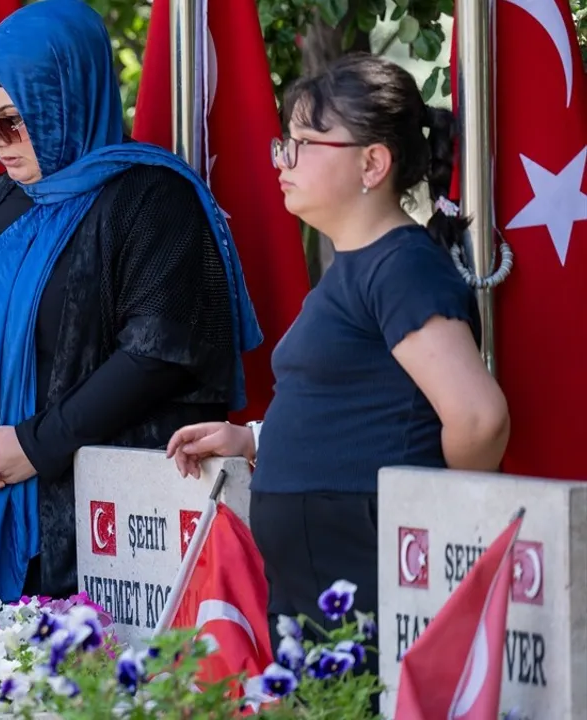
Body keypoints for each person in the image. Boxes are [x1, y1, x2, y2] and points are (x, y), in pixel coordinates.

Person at [0, 0, 261, 606]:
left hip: (99, 527)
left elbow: (157, 352)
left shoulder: (152, 197)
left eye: (13, 121)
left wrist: (34, 445)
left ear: (64, 99)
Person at [167, 53, 509, 632]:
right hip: (323, 574)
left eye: (303, 143)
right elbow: (361, 409)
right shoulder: (361, 266)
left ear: (372, 162)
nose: (283, 160)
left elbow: (478, 420)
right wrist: (255, 442)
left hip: (365, 566)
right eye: (284, 143)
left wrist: (431, 514)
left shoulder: (401, 266)